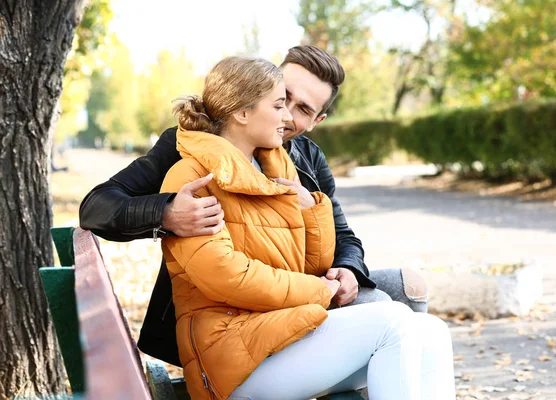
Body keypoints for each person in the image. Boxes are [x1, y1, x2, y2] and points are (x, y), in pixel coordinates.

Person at [79, 45, 429, 368]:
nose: (288, 115)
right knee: (383, 313)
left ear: (317, 121)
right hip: (232, 316)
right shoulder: (191, 146)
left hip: (300, 289)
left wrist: (348, 270)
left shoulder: (308, 159)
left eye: (304, 109)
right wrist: (165, 212)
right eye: (283, 99)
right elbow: (97, 207)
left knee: (405, 290)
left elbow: (344, 235)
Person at [161, 55, 455, 400]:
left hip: (278, 334)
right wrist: (321, 291)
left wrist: (310, 208)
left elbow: (313, 262)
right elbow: (228, 277)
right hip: (229, 358)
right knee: (392, 323)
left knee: (430, 330)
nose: (287, 118)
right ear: (242, 113)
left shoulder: (275, 168)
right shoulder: (191, 178)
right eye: (279, 104)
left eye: (296, 108)